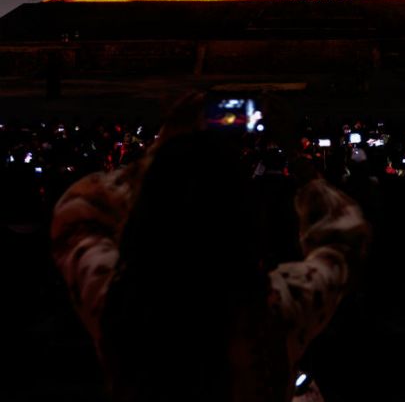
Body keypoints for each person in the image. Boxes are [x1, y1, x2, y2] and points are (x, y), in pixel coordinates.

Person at [51, 96, 369, 401]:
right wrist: (296, 155)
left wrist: (164, 151)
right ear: (248, 224)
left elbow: (78, 212)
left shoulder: (116, 308)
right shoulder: (278, 310)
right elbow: (344, 236)